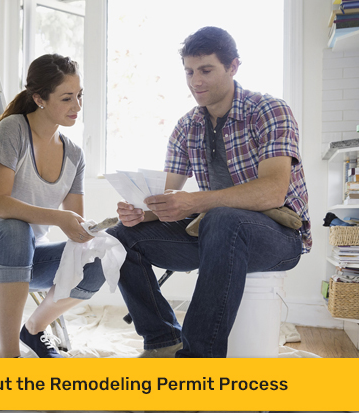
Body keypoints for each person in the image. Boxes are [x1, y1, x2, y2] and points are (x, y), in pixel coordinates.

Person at [107, 27, 311, 358]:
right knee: (121, 236)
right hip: (217, 234)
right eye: (189, 71)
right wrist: (141, 213)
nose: (195, 81)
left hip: (279, 236)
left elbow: (273, 192)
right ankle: (162, 340)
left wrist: (196, 202)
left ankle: (197, 364)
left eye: (206, 70)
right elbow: (169, 196)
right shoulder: (186, 127)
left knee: (221, 219)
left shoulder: (269, 110)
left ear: (233, 67)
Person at [0, 53, 106, 358]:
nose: (76, 106)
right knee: (15, 229)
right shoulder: (13, 130)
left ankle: (34, 329)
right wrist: (58, 217)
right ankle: (9, 356)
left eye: (79, 96)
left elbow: (75, 226)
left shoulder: (74, 154)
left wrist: (100, 231)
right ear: (39, 99)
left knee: (98, 257)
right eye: (66, 98)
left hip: (28, 257)